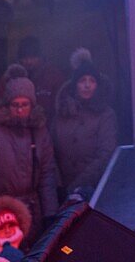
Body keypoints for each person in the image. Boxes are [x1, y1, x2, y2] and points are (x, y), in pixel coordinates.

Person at [0, 75, 57, 231]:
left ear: (32, 105)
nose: (19, 110)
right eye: (15, 105)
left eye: (25, 104)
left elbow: (47, 175)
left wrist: (50, 213)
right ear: (6, 106)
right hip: (3, 211)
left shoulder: (39, 131)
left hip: (33, 209)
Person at [51, 54, 115, 202]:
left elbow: (106, 154)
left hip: (94, 191)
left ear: (97, 85)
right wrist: (59, 186)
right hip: (62, 192)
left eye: (92, 81)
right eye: (82, 81)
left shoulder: (106, 115)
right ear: (75, 85)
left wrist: (77, 186)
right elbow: (50, 152)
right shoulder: (61, 113)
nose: (87, 85)